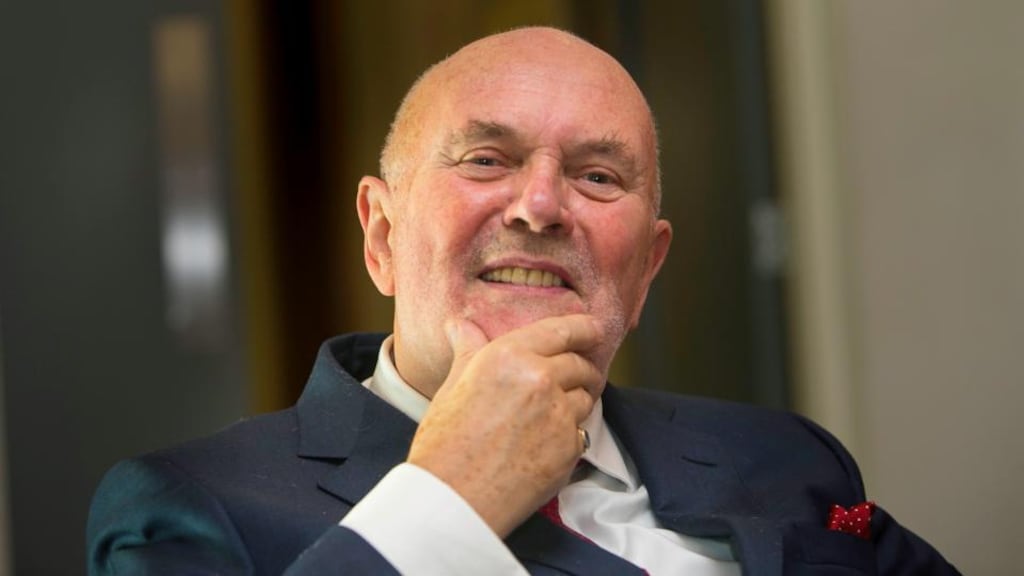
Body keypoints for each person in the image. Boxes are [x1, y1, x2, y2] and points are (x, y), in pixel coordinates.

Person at [87, 27, 959, 575]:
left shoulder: (786, 458)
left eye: (597, 175)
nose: (539, 206)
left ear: (646, 269)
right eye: (485, 160)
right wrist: (448, 497)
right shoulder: (192, 505)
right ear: (381, 236)